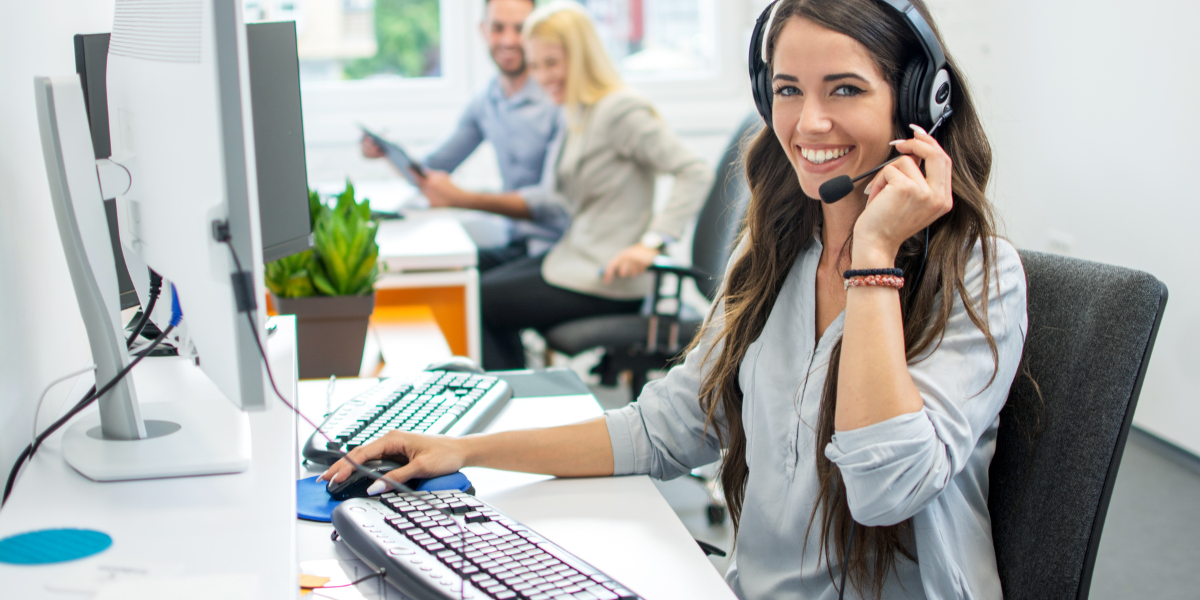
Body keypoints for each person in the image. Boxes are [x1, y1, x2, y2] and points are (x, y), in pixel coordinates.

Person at [322, 0, 1027, 598]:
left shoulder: (979, 274)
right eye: (787, 90)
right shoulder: (779, 254)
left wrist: (873, 262)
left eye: (844, 89)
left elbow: (885, 494)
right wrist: (467, 451)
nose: (809, 124)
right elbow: (666, 428)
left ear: (917, 103)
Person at [415, 2, 713, 370]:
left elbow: (693, 170)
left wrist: (651, 242)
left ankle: (511, 408)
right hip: (576, 259)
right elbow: (555, 194)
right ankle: (514, 397)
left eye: (551, 64)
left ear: (582, 57)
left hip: (608, 278)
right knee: (472, 290)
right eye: (535, 64)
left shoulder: (620, 110)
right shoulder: (577, 111)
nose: (541, 76)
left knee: (479, 303)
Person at [362, 0, 564, 271]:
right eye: (497, 28)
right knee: (435, 275)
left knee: (472, 296)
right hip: (515, 243)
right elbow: (433, 169)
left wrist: (461, 198)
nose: (508, 40)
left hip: (554, 249)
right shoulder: (487, 101)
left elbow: (553, 201)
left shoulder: (557, 99)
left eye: (520, 29)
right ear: (483, 30)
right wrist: (386, 152)